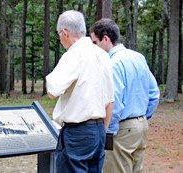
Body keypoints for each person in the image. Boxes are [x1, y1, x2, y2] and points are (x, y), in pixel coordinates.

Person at [46, 10, 114, 173]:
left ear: (65, 33)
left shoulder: (74, 54)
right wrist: (101, 132)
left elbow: (52, 90)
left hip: (76, 133)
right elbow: (110, 100)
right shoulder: (103, 55)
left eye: (59, 34)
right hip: (98, 130)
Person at [90, 18, 160, 173]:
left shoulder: (112, 63)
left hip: (121, 130)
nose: (93, 47)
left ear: (106, 39)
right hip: (140, 127)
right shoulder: (138, 57)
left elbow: (113, 104)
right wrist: (140, 119)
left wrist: (107, 134)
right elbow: (154, 95)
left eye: (95, 42)